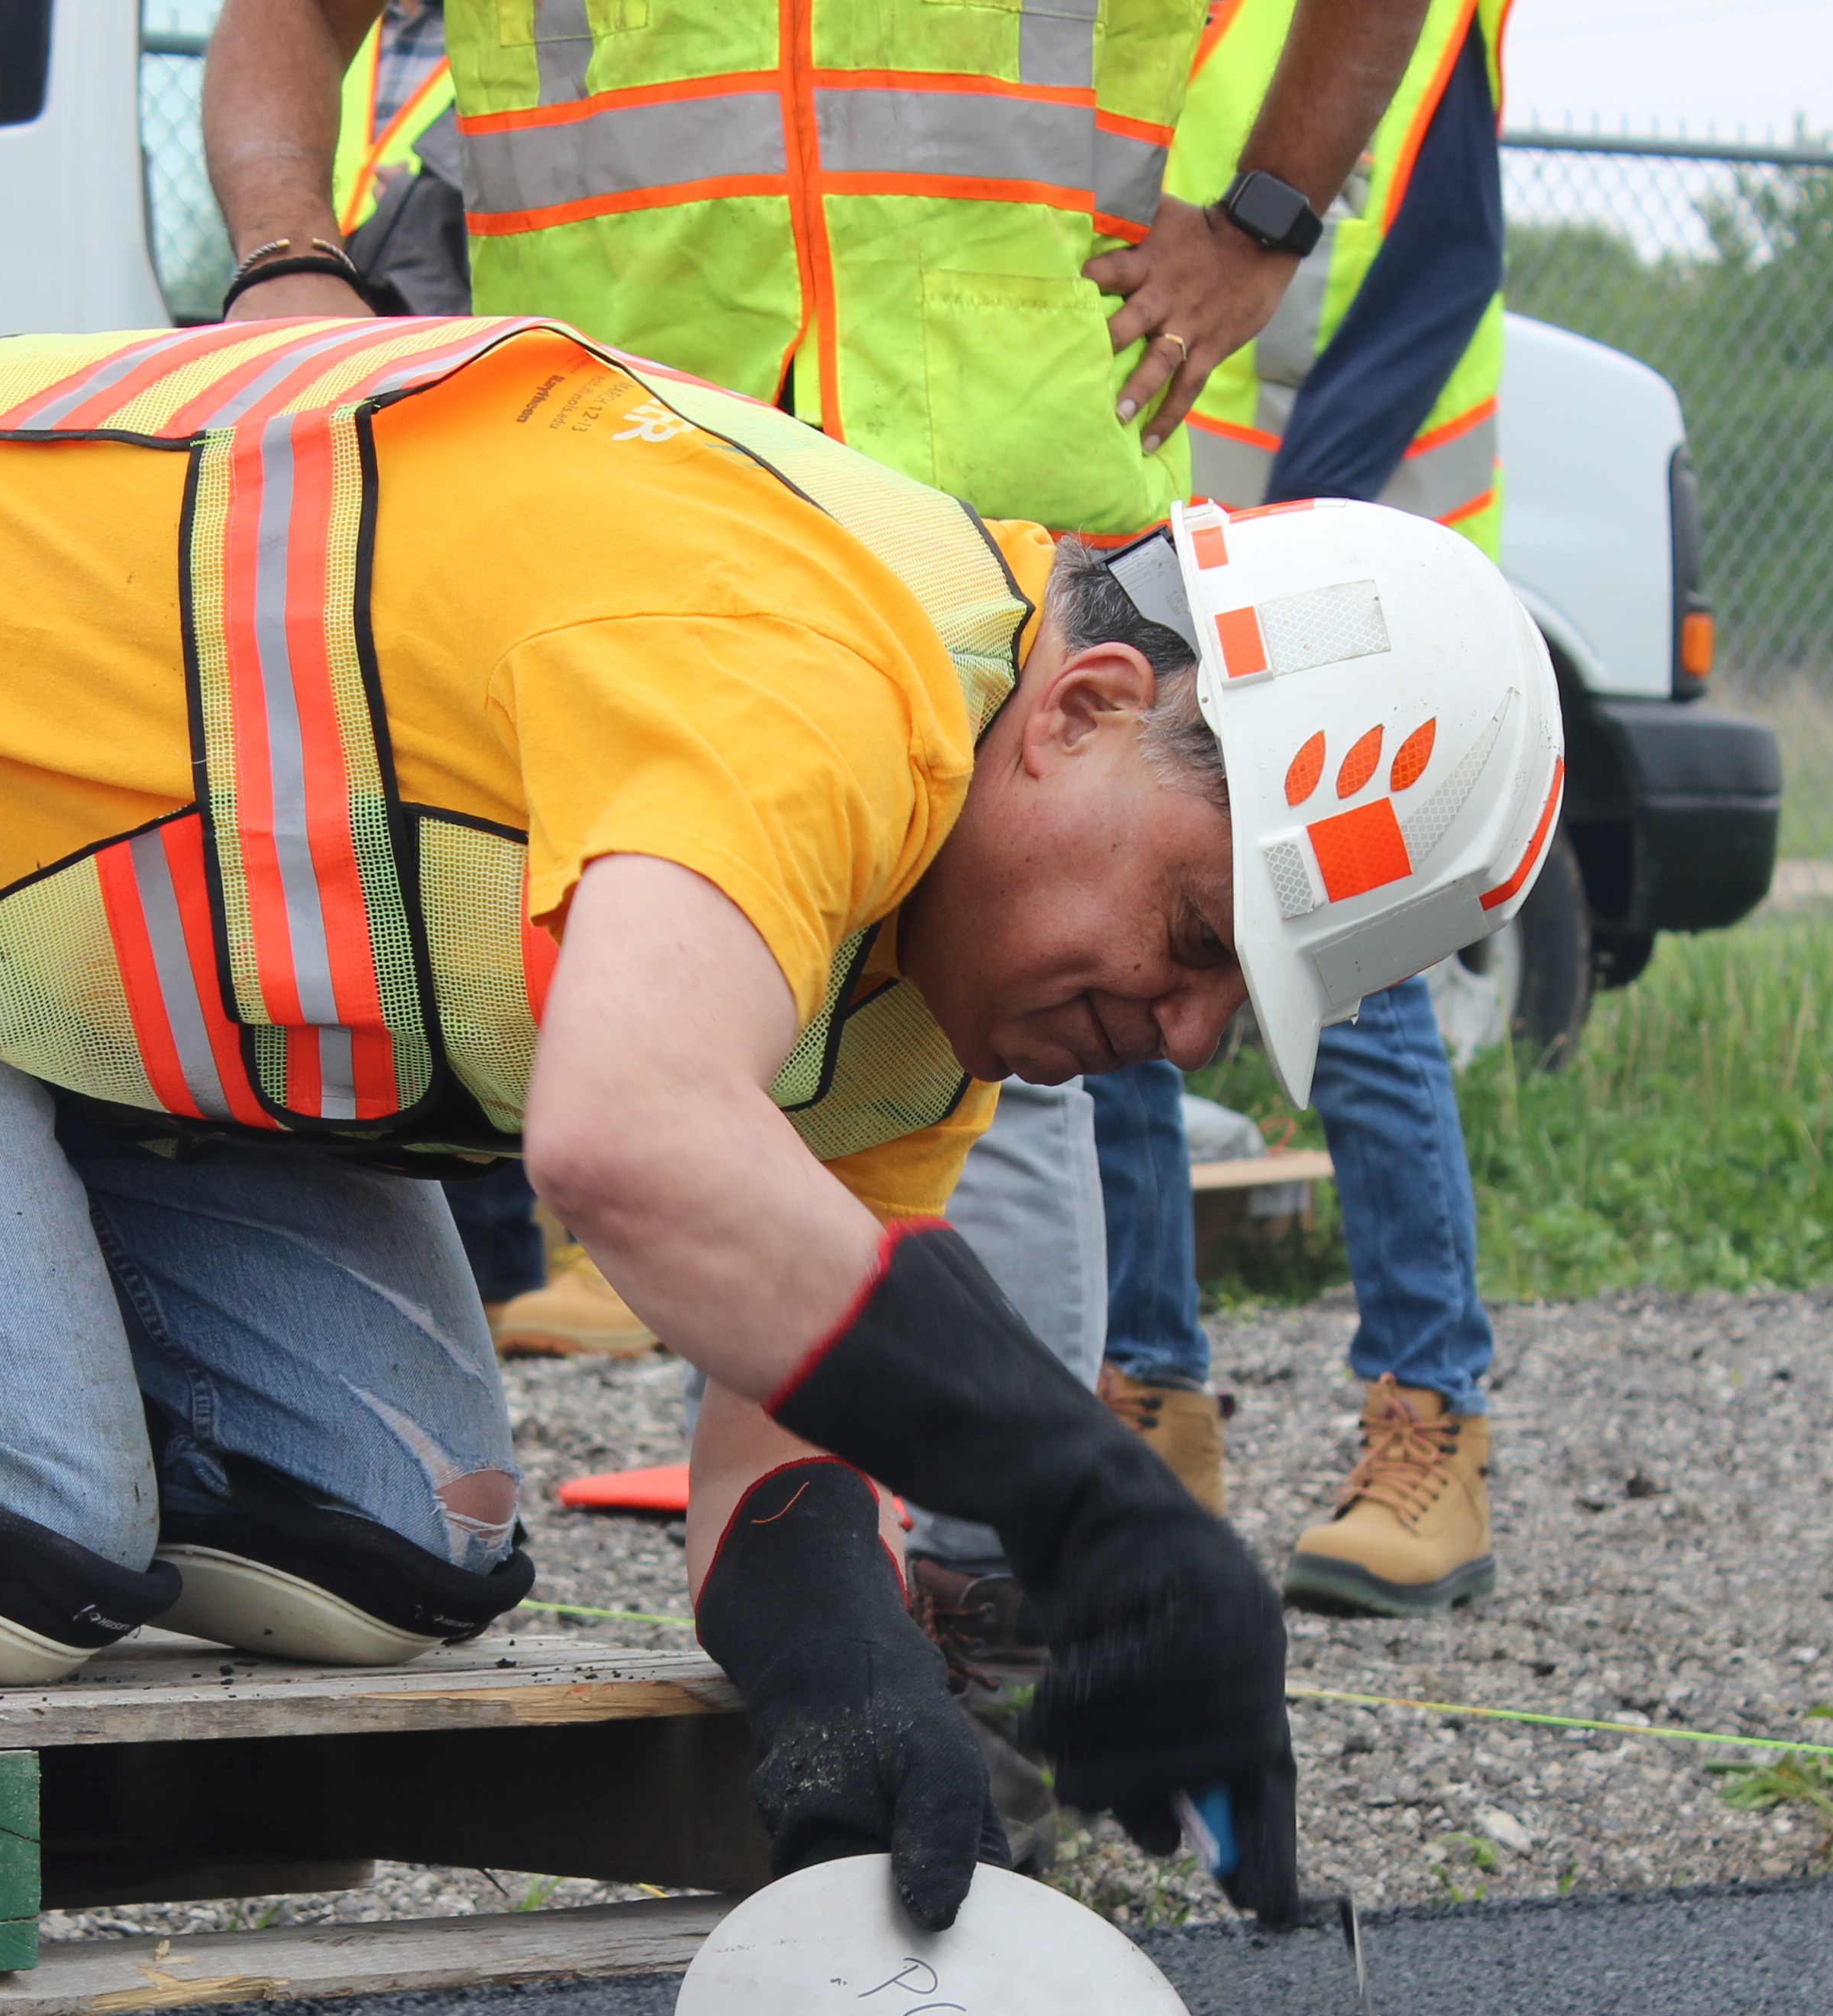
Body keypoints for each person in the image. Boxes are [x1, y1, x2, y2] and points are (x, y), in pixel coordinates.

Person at [0, 314, 1556, 1933]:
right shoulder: (811, 674)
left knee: (400, 1554)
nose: (1177, 1019)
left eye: (1240, 998)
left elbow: (763, 1451)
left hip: (85, 960)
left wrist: (845, 1695)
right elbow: (624, 1140)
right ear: (1084, 702)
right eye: (1200, 925)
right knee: (25, 1545)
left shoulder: (938, 994)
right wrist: (1102, 1495)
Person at [201, 0, 1464, 1640]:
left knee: (1006, 1050)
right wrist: (287, 258)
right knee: (615, 1069)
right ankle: (905, 1609)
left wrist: (1266, 221)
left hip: (980, 528)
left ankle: (958, 1625)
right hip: (636, 506)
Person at [1098, 0, 1517, 1618]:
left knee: (1360, 978)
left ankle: (1432, 1428)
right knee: (1115, 956)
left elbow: (1435, 274)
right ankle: (1151, 1408)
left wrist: (1276, 554)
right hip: (1152, 523)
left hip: (1333, 556)